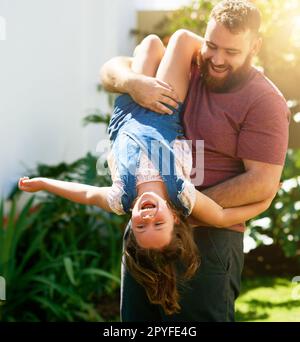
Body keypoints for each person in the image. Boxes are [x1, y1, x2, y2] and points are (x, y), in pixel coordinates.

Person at [18, 12, 276, 315]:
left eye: (140, 225)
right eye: (212, 46)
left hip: (124, 120)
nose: (147, 216)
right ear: (176, 220)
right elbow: (219, 215)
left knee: (151, 43)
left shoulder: (121, 198)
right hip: (160, 115)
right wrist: (266, 199)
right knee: (175, 39)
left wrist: (44, 183)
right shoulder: (181, 194)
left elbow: (86, 194)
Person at [100, 0, 290, 321]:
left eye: (231, 52)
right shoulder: (188, 64)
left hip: (209, 238)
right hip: (149, 233)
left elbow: (261, 182)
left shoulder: (265, 101)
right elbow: (112, 69)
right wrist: (134, 83)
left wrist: (181, 208)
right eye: (212, 46)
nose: (216, 59)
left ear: (254, 46)